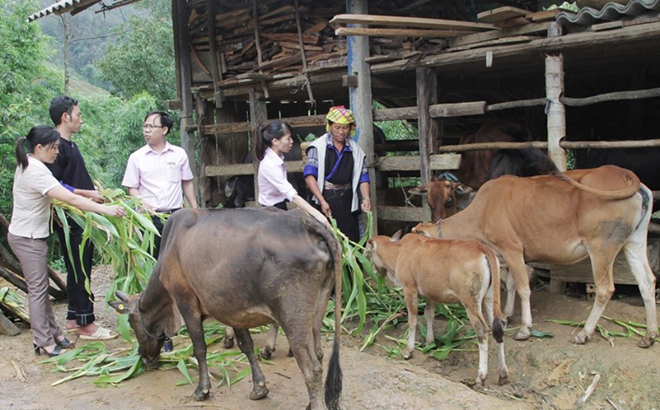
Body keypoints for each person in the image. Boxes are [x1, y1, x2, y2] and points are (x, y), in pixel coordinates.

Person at [8, 127, 125, 356]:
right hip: (28, 238)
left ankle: (54, 333)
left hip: (30, 236)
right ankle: (43, 340)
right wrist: (106, 210)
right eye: (54, 148)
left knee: (39, 288)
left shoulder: (31, 165)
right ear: (39, 148)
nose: (57, 153)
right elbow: (69, 197)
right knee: (38, 291)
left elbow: (63, 191)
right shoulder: (36, 171)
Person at [46, 96, 115, 339]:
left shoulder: (69, 145)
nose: (81, 119)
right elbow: (56, 186)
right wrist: (88, 195)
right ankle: (87, 323)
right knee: (81, 269)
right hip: (72, 218)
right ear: (66, 117)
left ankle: (75, 318)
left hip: (81, 216)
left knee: (77, 268)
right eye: (78, 114)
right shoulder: (56, 146)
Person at [122, 111, 198, 260]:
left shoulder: (179, 154)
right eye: (145, 126)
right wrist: (143, 205)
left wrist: (195, 208)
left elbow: (187, 182)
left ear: (164, 130)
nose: (146, 130)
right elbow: (132, 187)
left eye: (151, 126)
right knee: (153, 259)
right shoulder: (136, 157)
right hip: (149, 219)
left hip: (176, 216)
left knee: (177, 258)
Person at [303, 106, 371, 242]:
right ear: (329, 126)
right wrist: (321, 200)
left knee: (349, 239)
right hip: (324, 198)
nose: (341, 132)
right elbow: (309, 175)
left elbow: (363, 176)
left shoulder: (355, 150)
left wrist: (366, 198)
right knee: (324, 239)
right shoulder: (318, 147)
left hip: (347, 200)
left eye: (345, 128)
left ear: (350, 128)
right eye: (337, 128)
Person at [256, 120, 329, 226]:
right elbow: (292, 195)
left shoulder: (277, 158)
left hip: (278, 207)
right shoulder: (270, 165)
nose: (291, 142)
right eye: (288, 138)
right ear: (275, 141)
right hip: (271, 212)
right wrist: (318, 215)